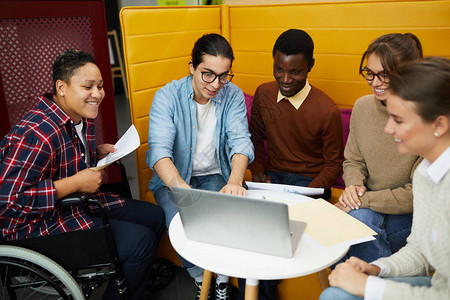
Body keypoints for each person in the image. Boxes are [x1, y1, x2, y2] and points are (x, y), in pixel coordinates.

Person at [0, 50, 165, 300]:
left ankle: (130, 276)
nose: (97, 94)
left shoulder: (76, 115)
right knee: (141, 242)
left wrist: (93, 153)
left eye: (99, 86)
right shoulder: (36, 135)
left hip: (73, 203)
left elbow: (58, 161)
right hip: (34, 226)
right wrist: (76, 182)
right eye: (88, 86)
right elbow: (8, 203)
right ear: (62, 87)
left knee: (153, 216)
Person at [320, 56, 450, 300]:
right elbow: (421, 251)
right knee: (334, 295)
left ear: (439, 125)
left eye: (398, 120)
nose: (388, 129)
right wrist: (378, 268)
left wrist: (371, 287)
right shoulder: (426, 174)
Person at [147, 33, 254, 300]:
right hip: (175, 180)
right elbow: (159, 152)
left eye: (224, 75)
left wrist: (234, 181)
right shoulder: (167, 97)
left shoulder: (233, 95)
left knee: (225, 219)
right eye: (208, 74)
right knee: (181, 225)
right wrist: (184, 192)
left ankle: (221, 281)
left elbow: (241, 141)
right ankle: (199, 278)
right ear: (192, 67)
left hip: (216, 174)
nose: (216, 84)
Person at [335, 33, 423, 264]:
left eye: (385, 75)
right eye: (370, 73)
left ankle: (360, 285)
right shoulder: (363, 107)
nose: (375, 82)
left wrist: (360, 201)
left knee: (356, 225)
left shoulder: (426, 119)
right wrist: (353, 185)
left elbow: (418, 195)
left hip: (409, 214)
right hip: (367, 205)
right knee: (354, 223)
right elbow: (353, 160)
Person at [249, 28, 344, 201]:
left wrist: (308, 192)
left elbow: (334, 164)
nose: (285, 79)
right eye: (278, 69)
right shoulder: (263, 93)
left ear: (310, 65)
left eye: (295, 72)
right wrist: (258, 172)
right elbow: (255, 138)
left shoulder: (327, 110)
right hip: (273, 178)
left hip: (310, 182)